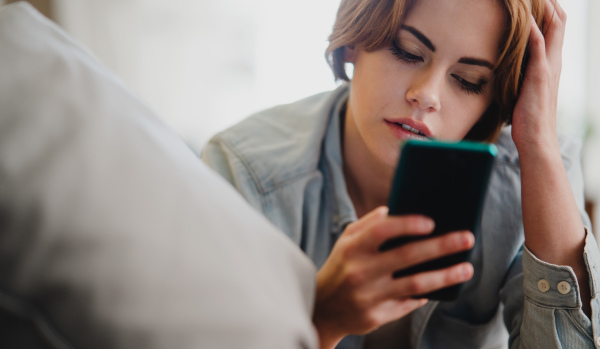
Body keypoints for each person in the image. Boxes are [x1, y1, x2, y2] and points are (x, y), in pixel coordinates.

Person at [202, 0, 600, 347]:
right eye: (408, 52)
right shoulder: (245, 173)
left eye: (468, 81)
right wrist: (321, 321)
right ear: (356, 38)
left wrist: (541, 146)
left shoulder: (530, 174)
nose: (426, 94)